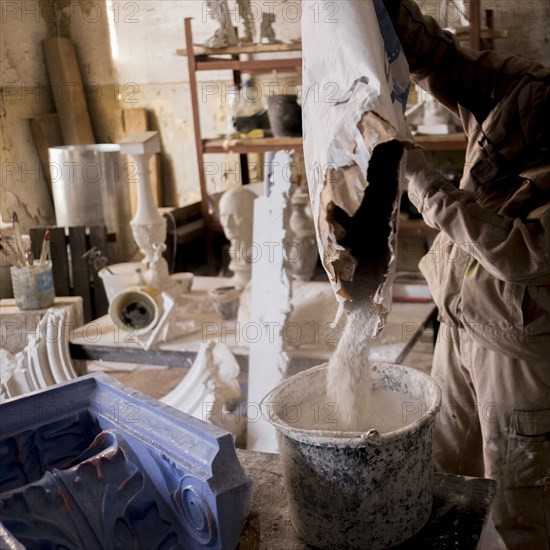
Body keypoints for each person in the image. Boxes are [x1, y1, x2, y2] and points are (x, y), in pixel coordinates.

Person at [383, 1, 550, 547]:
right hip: (461, 319)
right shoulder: (530, 89)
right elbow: (441, 58)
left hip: (518, 347)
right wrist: (381, 11)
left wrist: (422, 185)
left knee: (519, 499)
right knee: (439, 464)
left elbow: (519, 252)